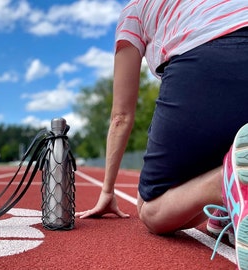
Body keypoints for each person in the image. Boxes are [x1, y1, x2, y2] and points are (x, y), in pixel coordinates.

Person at [75, 1, 248, 269]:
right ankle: (223, 210)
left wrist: (107, 190)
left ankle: (221, 187)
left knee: (152, 209)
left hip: (203, 62)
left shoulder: (135, 9)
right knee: (234, 147)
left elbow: (121, 116)